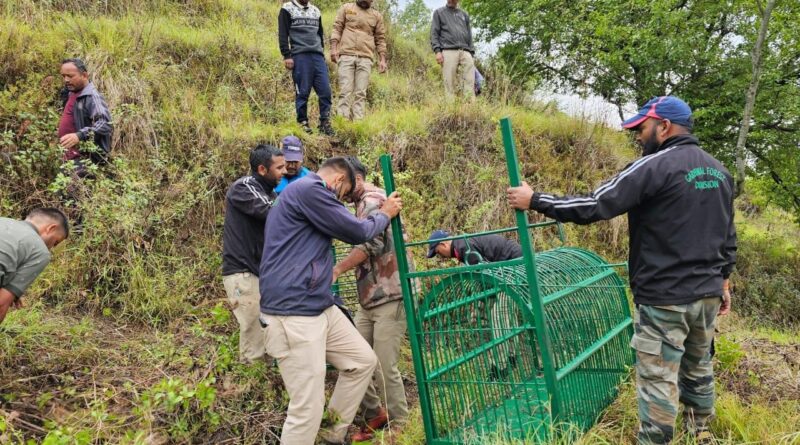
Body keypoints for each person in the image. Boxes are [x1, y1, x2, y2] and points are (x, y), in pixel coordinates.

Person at [507, 96, 737, 445]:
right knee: (698, 367)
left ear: (663, 126)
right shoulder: (718, 171)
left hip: (665, 298)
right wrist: (724, 280)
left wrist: (536, 199)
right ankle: (700, 433)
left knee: (658, 376)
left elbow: (596, 204)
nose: (637, 136)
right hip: (706, 294)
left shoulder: (653, 166)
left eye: (642, 128)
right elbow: (727, 233)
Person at [260, 157, 403, 444]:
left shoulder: (301, 194)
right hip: (294, 310)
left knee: (362, 361)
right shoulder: (311, 189)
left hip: (318, 303)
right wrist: (385, 213)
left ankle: (329, 437)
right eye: (346, 193)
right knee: (306, 408)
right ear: (338, 181)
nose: (345, 199)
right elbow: (357, 231)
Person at [331, 158, 408, 440]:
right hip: (370, 299)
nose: (342, 191)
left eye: (346, 182)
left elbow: (371, 243)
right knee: (354, 359)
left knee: (385, 365)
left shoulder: (372, 199)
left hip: (391, 294)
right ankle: (375, 414)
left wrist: (338, 268)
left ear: (357, 178)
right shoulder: (359, 206)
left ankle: (401, 424)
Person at [221, 144, 287, 363]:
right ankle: (250, 386)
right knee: (253, 332)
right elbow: (273, 213)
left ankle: (263, 384)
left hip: (260, 273)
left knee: (266, 331)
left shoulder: (269, 192)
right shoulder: (244, 187)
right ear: (261, 169)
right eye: (279, 168)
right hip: (243, 273)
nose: (284, 172)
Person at [427, 229, 522, 379]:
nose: (440, 256)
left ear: (444, 244)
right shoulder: (463, 245)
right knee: (506, 313)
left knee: (499, 316)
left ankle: (500, 366)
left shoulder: (465, 249)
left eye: (438, 252)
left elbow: (485, 275)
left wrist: (480, 303)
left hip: (513, 268)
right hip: (510, 267)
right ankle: (511, 357)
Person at [0, 208, 69, 325]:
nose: (51, 247)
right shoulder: (40, 251)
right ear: (51, 228)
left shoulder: (3, 220)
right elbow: (1, 304)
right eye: (55, 242)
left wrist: (13, 294)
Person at [278, 0, 335, 136]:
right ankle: (302, 122)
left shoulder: (316, 10)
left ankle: (324, 122)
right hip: (300, 55)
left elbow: (320, 34)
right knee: (302, 92)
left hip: (317, 56)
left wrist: (321, 52)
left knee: (325, 91)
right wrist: (287, 55)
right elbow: (283, 34)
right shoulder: (287, 9)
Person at [330, 0, 388, 121]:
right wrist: (333, 48)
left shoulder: (376, 16)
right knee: (345, 91)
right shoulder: (346, 8)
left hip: (365, 58)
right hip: (346, 55)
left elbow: (380, 39)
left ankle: (358, 123)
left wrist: (382, 60)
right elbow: (337, 28)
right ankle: (342, 123)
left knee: (360, 93)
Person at [58, 58, 113, 174]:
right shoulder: (70, 92)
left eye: (70, 76)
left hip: (86, 160)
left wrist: (79, 135)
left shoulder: (92, 97)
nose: (66, 80)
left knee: (70, 190)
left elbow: (105, 123)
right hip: (70, 156)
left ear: (84, 75)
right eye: (63, 76)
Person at [430, 0, 475, 98]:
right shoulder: (439, 12)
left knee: (469, 82)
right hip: (448, 51)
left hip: (466, 51)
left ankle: (470, 109)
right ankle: (451, 110)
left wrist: (471, 52)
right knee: (449, 83)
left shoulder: (464, 15)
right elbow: (434, 33)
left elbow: (469, 34)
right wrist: (437, 51)